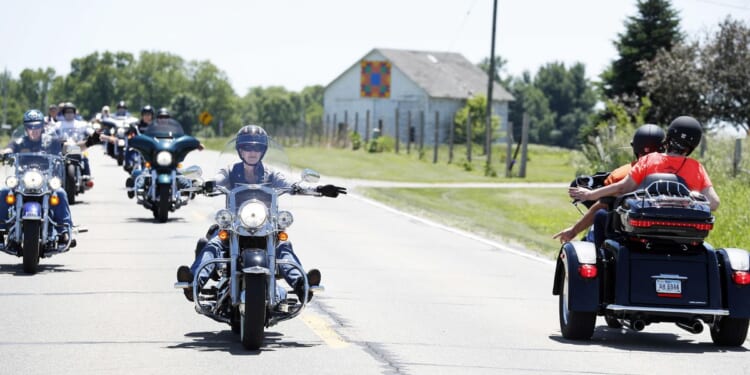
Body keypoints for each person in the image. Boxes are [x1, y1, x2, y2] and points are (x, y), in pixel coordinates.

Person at [175, 125, 346, 302]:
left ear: (263, 150)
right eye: (247, 147)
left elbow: (292, 185)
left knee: (283, 247)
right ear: (240, 150)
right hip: (235, 224)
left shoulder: (272, 174)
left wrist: (318, 188)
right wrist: (206, 184)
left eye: (257, 147)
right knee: (214, 244)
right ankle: (193, 282)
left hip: (265, 225)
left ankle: (302, 285)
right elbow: (217, 180)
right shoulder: (230, 171)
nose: (252, 152)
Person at [569, 116, 719, 212]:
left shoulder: (649, 159)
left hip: (645, 225)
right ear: (693, 146)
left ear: (668, 137)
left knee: (602, 218)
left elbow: (623, 187)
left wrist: (590, 194)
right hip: (684, 230)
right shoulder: (697, 167)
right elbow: (714, 203)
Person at [553, 124, 665, 249]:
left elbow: (603, 203)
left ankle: (600, 260)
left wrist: (573, 230)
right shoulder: (673, 173)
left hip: (625, 235)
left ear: (635, 149)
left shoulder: (621, 174)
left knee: (600, 214)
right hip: (664, 233)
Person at [0, 109, 73, 244]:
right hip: (23, 180)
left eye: (37, 126)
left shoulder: (50, 141)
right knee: (4, 192)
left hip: (45, 179)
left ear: (42, 127)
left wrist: (72, 147)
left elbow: (65, 146)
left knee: (60, 193)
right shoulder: (20, 142)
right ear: (26, 128)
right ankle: (1, 228)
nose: (34, 130)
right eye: (30, 126)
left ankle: (64, 231)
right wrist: (5, 152)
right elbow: (10, 147)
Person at [55, 102, 93, 178]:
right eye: (67, 112)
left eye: (71, 112)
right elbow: (50, 133)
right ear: (63, 113)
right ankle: (56, 176)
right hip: (63, 149)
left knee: (85, 154)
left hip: (78, 147)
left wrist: (95, 135)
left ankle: (86, 175)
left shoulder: (81, 124)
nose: (69, 114)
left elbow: (91, 131)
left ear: (74, 113)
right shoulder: (58, 125)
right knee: (56, 160)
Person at [123, 105, 154, 172]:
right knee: (130, 147)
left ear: (152, 116)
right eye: (145, 115)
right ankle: (128, 163)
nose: (147, 117)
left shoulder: (155, 125)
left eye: (149, 115)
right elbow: (128, 132)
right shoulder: (137, 125)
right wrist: (129, 130)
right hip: (140, 147)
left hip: (152, 147)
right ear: (142, 115)